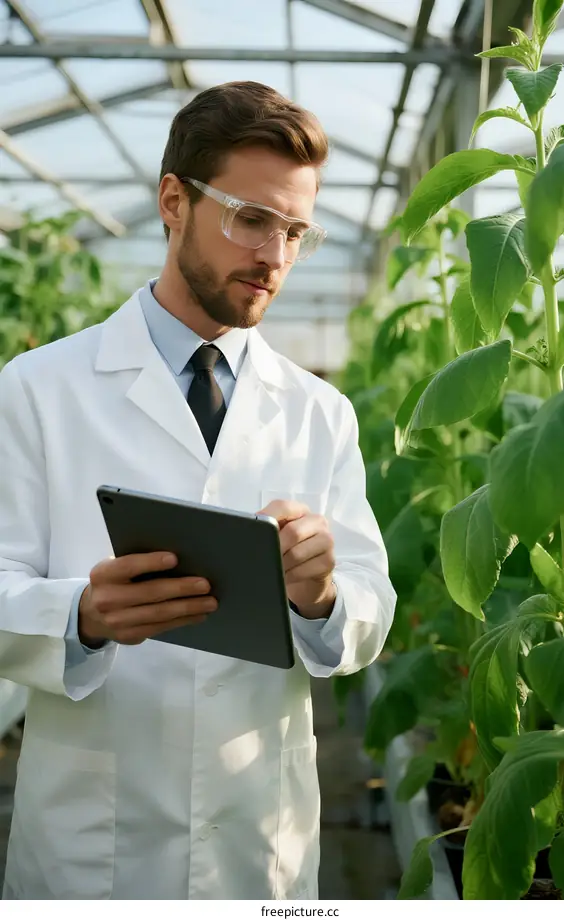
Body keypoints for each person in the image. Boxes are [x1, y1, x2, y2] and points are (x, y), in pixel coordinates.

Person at [0, 81, 396, 900]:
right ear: (173, 201)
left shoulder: (320, 413)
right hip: (93, 849)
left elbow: (367, 614)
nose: (276, 258)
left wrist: (323, 595)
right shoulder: (36, 391)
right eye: (251, 219)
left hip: (261, 840)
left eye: (296, 231)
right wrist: (77, 615)